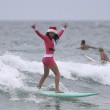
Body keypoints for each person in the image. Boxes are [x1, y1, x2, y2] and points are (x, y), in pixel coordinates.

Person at [31, 23, 68, 93]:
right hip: (48, 59)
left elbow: (59, 34)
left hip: (45, 59)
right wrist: (35, 29)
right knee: (57, 74)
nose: (52, 34)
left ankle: (38, 87)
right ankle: (57, 90)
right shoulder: (46, 38)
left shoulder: (54, 39)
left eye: (53, 33)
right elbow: (40, 35)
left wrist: (63, 28)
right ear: (48, 33)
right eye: (51, 33)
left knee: (45, 74)